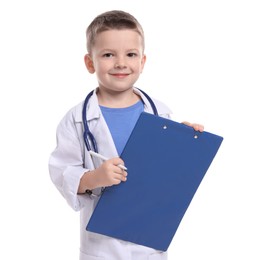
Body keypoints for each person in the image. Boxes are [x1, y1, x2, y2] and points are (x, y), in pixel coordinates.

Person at [49, 10, 204, 260]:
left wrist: (185, 141)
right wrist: (94, 178)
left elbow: (169, 175)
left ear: (142, 62)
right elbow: (62, 173)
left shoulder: (161, 114)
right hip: (101, 247)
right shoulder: (76, 119)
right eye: (108, 54)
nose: (121, 63)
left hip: (149, 241)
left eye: (131, 54)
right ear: (90, 63)